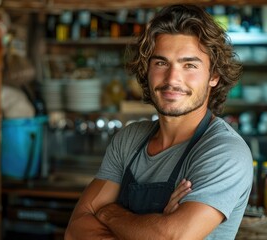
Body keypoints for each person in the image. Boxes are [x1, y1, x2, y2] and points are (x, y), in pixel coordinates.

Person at [65, 4, 253, 240]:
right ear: (147, 69)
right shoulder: (129, 139)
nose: (172, 79)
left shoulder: (224, 151)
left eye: (189, 65)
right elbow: (75, 229)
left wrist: (109, 213)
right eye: (161, 63)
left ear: (213, 76)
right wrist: (153, 226)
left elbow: (170, 237)